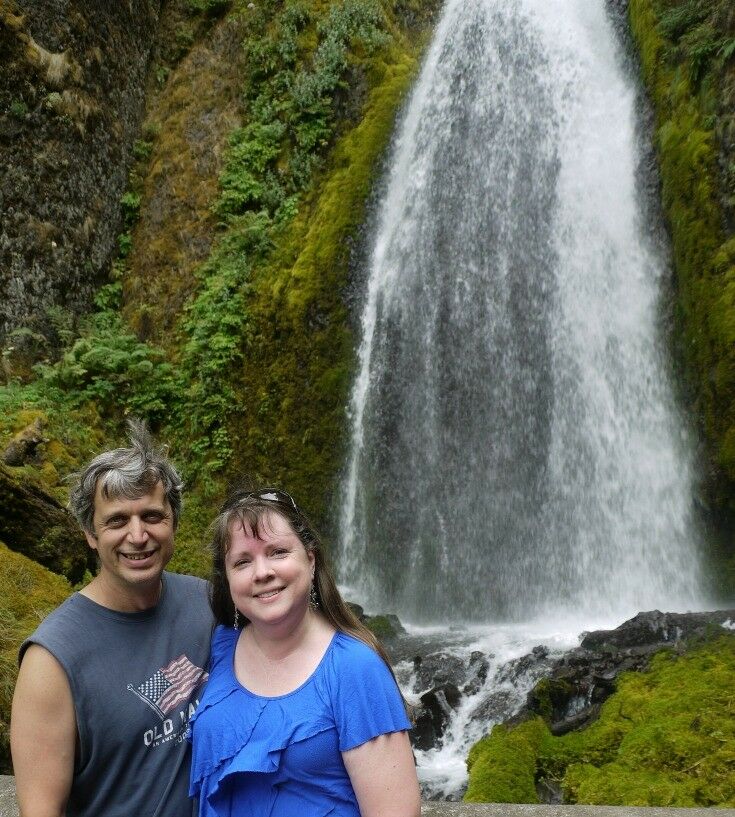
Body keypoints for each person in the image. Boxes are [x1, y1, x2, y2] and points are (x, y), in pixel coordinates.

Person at [10, 420, 214, 817]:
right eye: (117, 520)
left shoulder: (205, 602)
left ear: (173, 521)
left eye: (152, 516)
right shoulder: (51, 662)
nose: (138, 536)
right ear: (90, 533)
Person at [189, 487, 421, 817]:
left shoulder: (355, 668)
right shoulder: (222, 645)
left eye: (278, 552)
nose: (262, 572)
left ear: (310, 559)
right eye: (242, 561)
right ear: (226, 579)